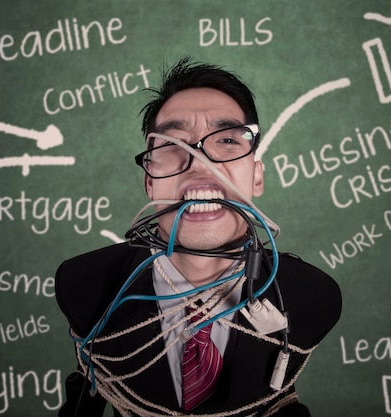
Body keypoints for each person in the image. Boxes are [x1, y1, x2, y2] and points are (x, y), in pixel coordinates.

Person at [55, 57, 342, 417]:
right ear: (149, 182)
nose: (200, 164)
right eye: (173, 145)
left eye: (226, 140)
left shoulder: (312, 296)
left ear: (256, 177)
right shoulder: (87, 286)